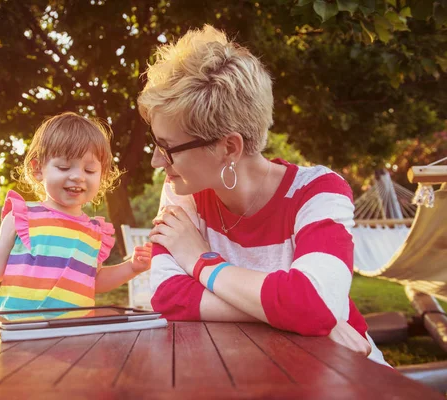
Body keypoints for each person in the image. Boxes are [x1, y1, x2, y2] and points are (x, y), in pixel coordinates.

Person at [137, 25, 388, 365]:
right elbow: (167, 296)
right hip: (256, 372)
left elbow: (313, 304)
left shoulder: (318, 192)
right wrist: (299, 317)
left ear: (228, 148)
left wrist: (201, 262)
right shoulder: (183, 193)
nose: (155, 160)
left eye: (167, 148)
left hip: (347, 373)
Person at [0, 112, 152, 311]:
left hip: (73, 334)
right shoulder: (22, 217)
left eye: (89, 170)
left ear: (102, 176)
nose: (77, 176)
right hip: (19, 331)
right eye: (64, 166)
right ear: (38, 169)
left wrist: (131, 267)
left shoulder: (95, 232)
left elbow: (93, 281)